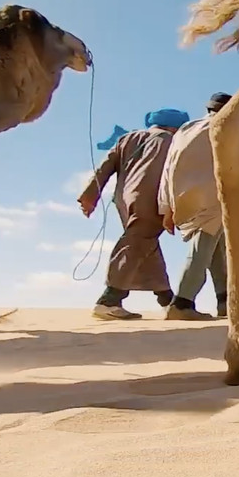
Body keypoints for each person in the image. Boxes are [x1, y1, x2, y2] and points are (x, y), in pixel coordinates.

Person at [78, 108, 189, 320]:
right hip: (150, 198)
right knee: (137, 242)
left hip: (124, 200)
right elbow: (165, 174)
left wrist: (90, 195)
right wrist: (172, 206)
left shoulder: (127, 138)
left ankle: (167, 300)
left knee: (146, 244)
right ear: (174, 127)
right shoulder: (168, 141)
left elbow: (105, 166)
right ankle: (109, 300)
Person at [158, 92, 232, 321]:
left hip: (183, 198)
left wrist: (167, 208)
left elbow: (168, 168)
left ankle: (226, 303)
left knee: (216, 250)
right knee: (201, 251)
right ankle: (182, 302)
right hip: (213, 197)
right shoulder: (228, 128)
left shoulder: (186, 129)